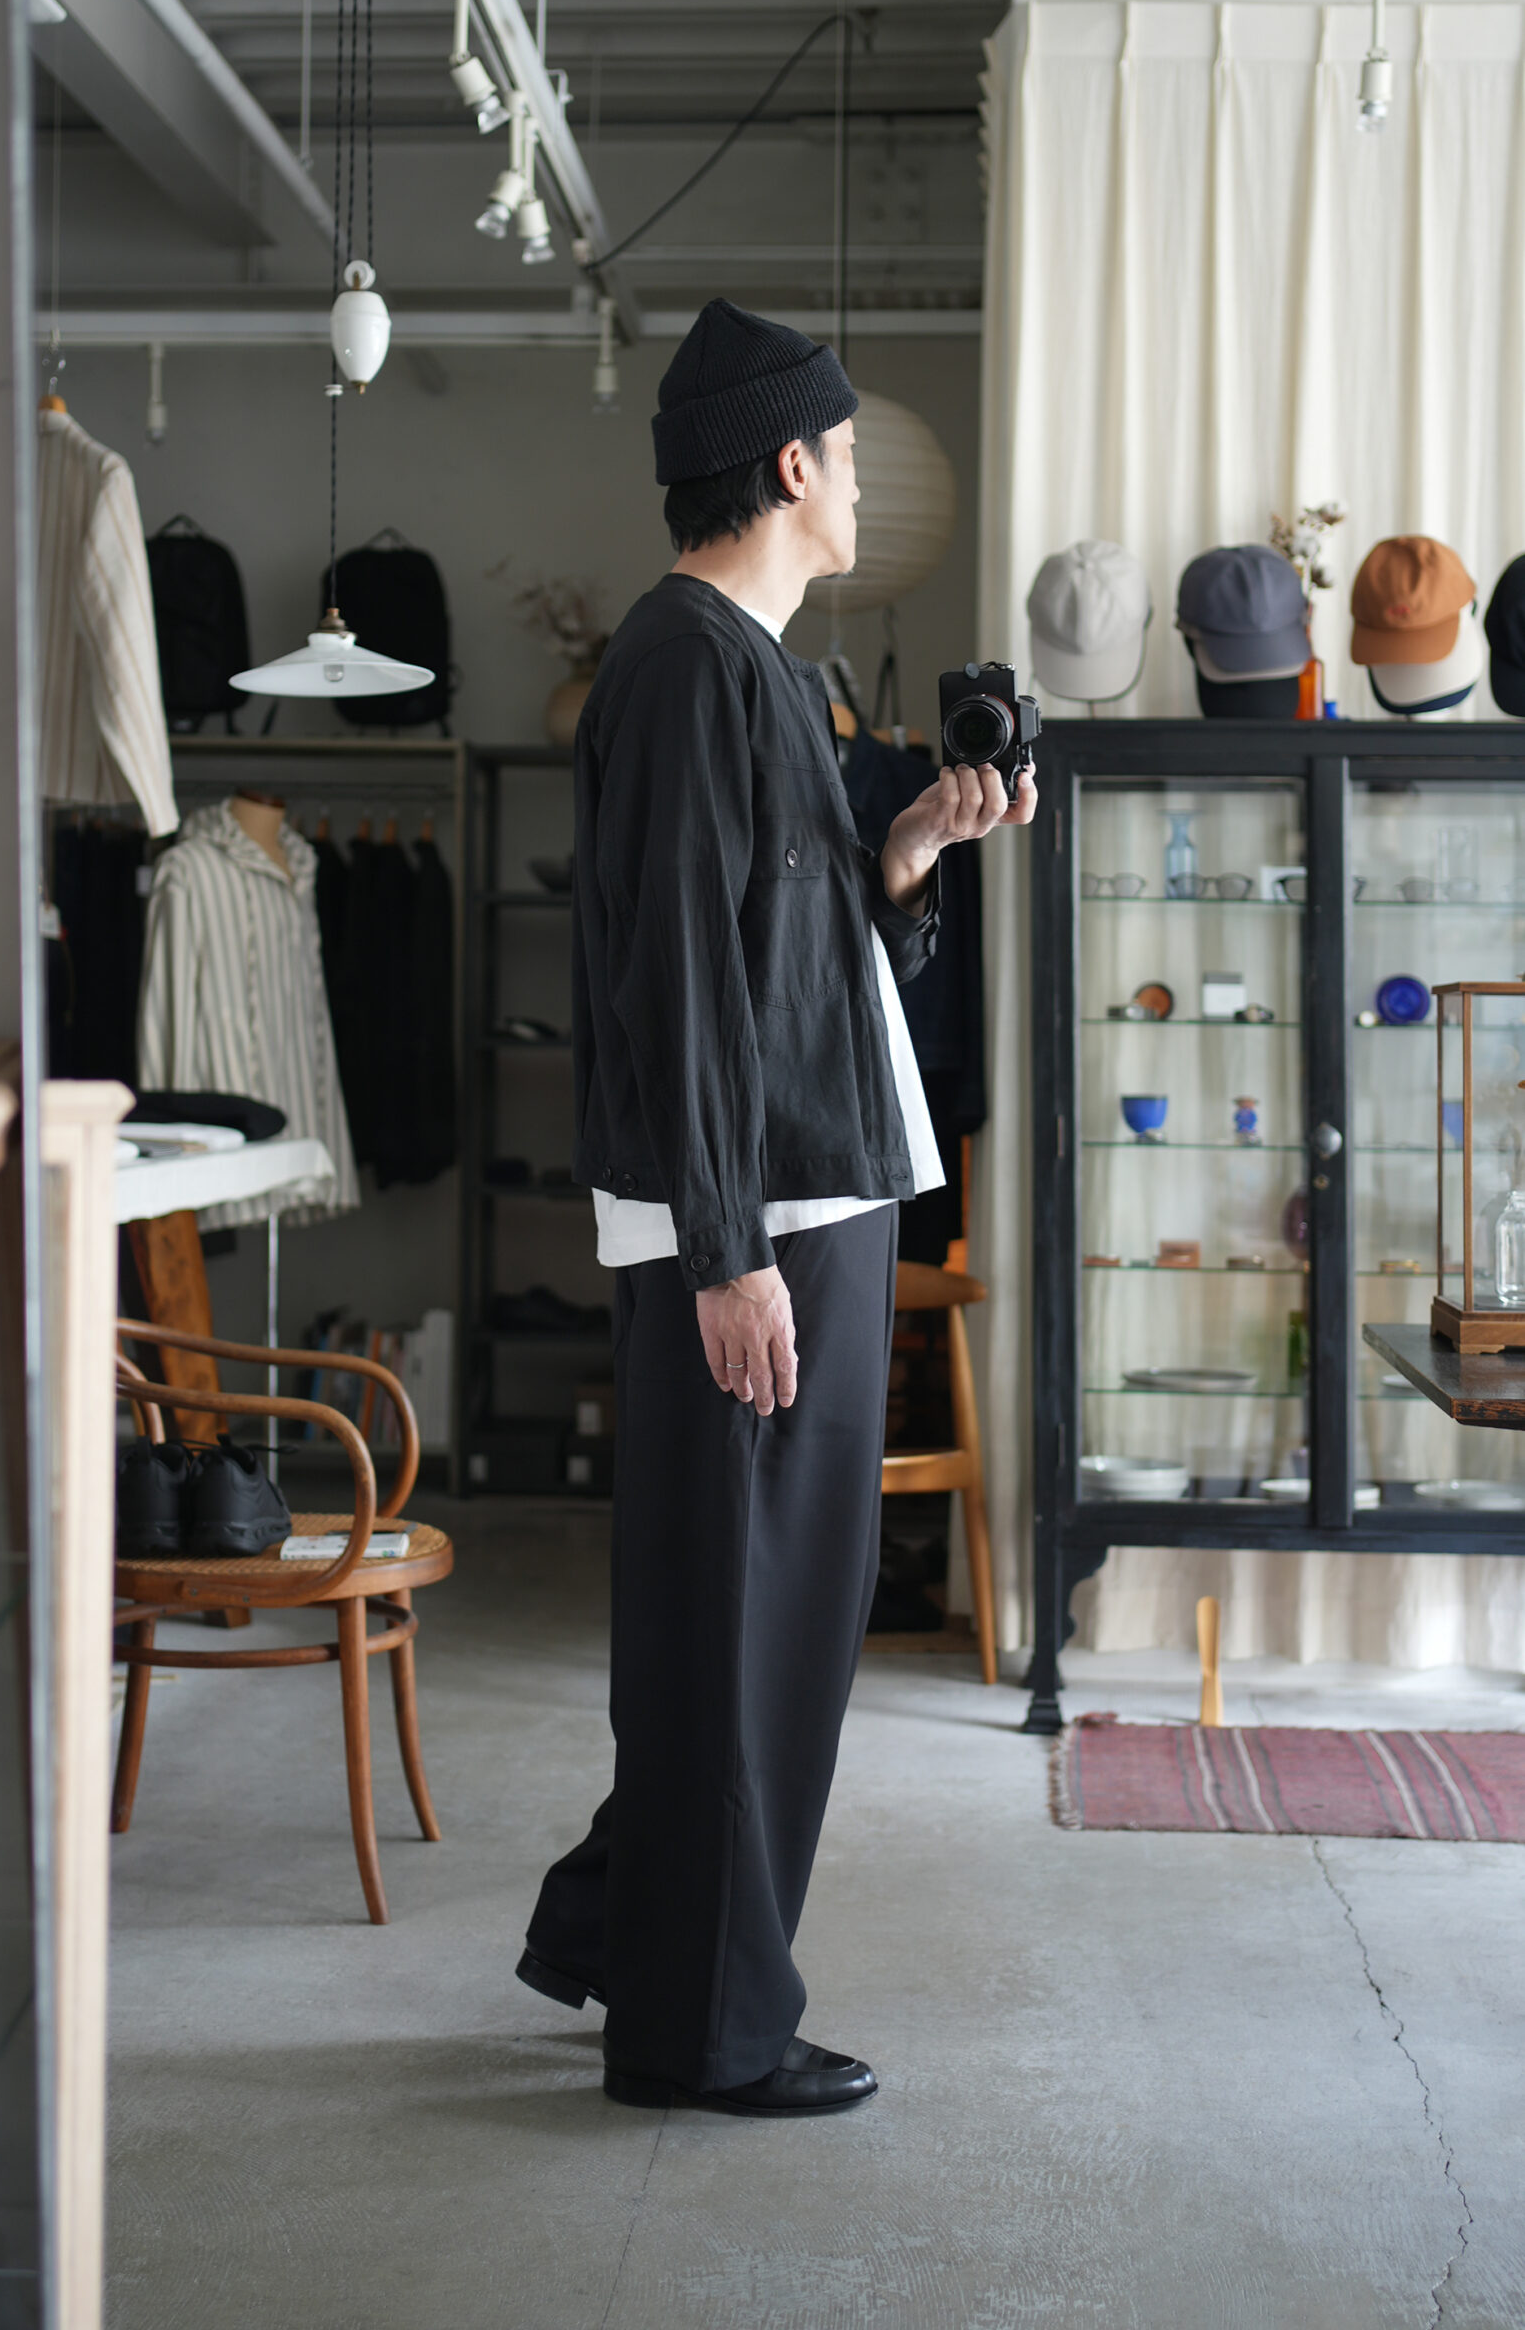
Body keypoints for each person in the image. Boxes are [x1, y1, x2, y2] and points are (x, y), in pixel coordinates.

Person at [517, 298, 1035, 2117]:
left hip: (803, 1200)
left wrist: (907, 857)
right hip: (764, 1226)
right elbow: (676, 977)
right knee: (745, 1633)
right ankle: (703, 2030)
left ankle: (625, 1936)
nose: (864, 484)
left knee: (751, 1624)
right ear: (792, 464)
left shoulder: (757, 670)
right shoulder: (690, 667)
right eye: (852, 454)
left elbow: (780, 957)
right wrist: (728, 1251)